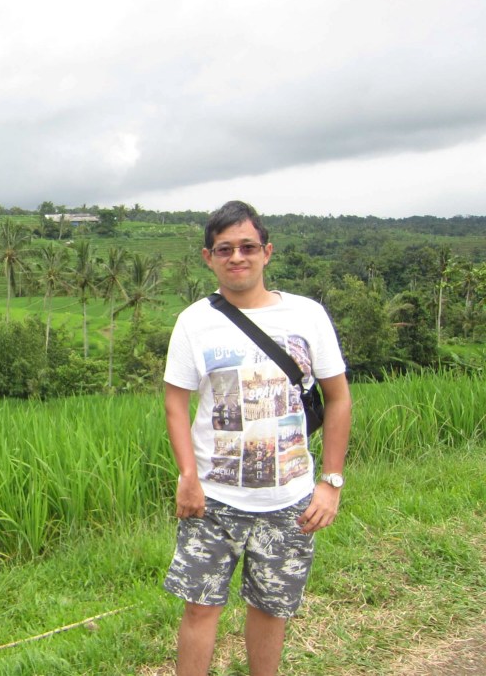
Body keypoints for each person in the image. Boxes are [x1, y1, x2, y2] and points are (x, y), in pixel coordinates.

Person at [162, 200, 352, 675]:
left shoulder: (307, 316)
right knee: (200, 608)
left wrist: (331, 482)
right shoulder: (193, 322)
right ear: (208, 258)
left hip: (290, 499)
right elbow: (175, 403)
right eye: (224, 249)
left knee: (271, 609)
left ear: (267, 251)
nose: (237, 257)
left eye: (248, 247)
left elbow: (338, 399)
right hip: (213, 499)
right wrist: (188, 476)